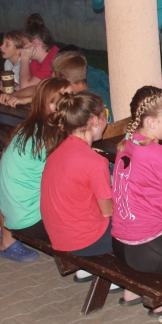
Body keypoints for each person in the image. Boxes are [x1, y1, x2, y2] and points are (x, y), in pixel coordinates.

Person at [111, 86, 162, 307]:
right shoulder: (158, 154)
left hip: (120, 245)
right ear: (152, 123)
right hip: (148, 250)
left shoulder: (127, 141)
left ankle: (133, 290)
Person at [0, 78, 72, 260]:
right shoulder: (51, 137)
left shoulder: (29, 127)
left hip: (12, 213)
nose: (72, 100)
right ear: (52, 106)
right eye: (67, 96)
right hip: (30, 221)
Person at [40, 92, 112, 256]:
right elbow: (108, 211)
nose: (106, 121)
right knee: (142, 221)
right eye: (105, 115)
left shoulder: (58, 150)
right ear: (95, 120)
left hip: (59, 235)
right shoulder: (95, 161)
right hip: (86, 241)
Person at [20, 13, 60, 89]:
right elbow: (32, 89)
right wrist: (15, 86)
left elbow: (25, 87)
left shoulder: (53, 61)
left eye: (23, 44)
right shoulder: (35, 61)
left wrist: (24, 59)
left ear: (35, 43)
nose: (21, 48)